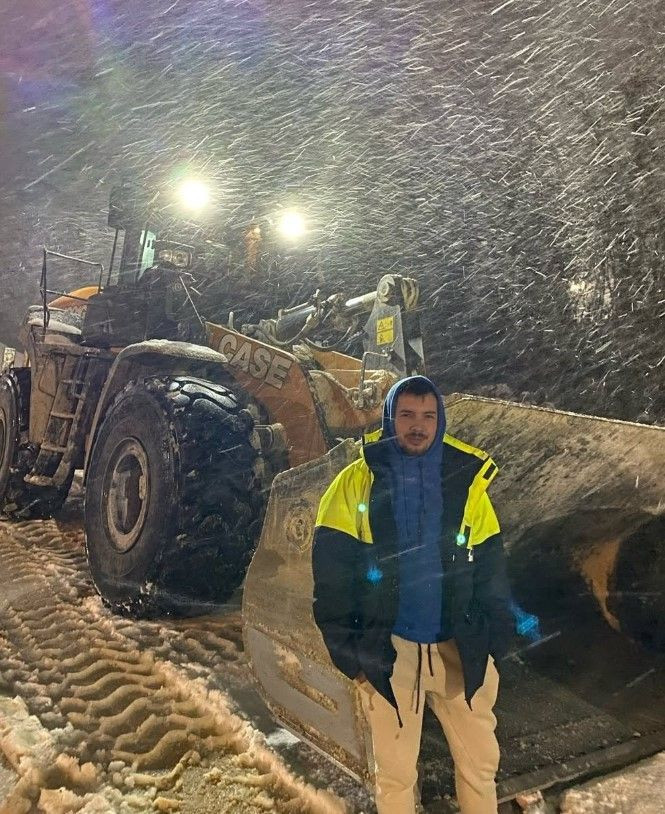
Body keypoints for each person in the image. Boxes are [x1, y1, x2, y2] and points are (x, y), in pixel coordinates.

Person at [312, 375, 513, 814]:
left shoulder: (467, 482)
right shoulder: (353, 485)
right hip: (392, 653)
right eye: (406, 415)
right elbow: (331, 581)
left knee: (481, 766)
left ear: (439, 420)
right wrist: (354, 658)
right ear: (389, 419)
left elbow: (492, 571)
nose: (417, 426)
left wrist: (494, 642)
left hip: (458, 650)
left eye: (427, 416)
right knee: (396, 777)